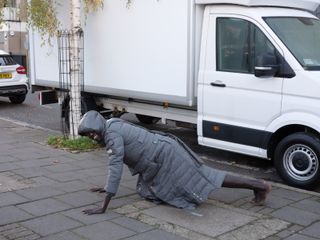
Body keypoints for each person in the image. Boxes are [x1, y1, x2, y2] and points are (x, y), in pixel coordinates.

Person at [78, 111, 271, 215]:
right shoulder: (111, 124)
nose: (93, 137)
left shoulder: (111, 136)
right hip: (159, 153)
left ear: (98, 126)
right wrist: (106, 188)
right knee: (146, 191)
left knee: (206, 177)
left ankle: (259, 185)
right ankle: (257, 186)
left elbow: (115, 168)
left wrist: (105, 205)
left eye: (92, 132)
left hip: (165, 155)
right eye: (89, 135)